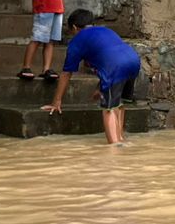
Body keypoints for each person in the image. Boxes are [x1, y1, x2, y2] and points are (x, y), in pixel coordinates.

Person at [41, 9, 141, 144]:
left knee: (109, 109)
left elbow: (66, 73)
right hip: (134, 61)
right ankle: (121, 139)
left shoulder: (77, 40)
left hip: (115, 67)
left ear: (74, 27)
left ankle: (115, 147)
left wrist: (56, 101)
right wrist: (100, 88)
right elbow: (108, 57)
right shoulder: (106, 31)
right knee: (119, 104)